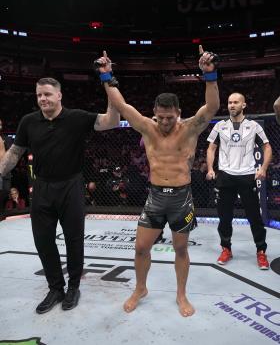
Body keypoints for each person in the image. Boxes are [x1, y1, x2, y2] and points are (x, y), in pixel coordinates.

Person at [95, 46, 220, 317]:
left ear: (178, 112)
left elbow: (211, 107)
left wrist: (210, 75)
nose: (164, 122)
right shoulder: (147, 126)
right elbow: (121, 105)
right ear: (154, 111)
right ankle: (140, 288)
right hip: (155, 197)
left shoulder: (189, 128)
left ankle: (181, 295)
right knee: (141, 248)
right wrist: (107, 77)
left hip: (181, 198)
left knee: (180, 248)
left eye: (170, 117)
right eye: (161, 117)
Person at [0, 77, 120, 313]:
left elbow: (112, 121)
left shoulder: (76, 117)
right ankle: (56, 287)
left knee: (74, 239)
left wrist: (110, 87)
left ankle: (74, 287)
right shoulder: (29, 121)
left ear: (59, 95)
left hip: (71, 186)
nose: (42, 99)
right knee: (43, 240)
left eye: (47, 94)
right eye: (39, 95)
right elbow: (15, 153)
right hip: (42, 187)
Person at [206, 92, 272, 269]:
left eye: (236, 102)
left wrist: (263, 168)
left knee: (254, 217)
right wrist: (211, 168)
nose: (232, 105)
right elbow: (211, 148)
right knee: (224, 217)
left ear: (243, 105)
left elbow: (267, 147)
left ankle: (261, 251)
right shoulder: (220, 126)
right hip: (226, 176)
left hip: (246, 176)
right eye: (229, 102)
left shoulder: (253, 126)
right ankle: (226, 248)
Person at [0, 119, 13, 220]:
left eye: (0, 124)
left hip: (5, 170)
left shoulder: (6, 139)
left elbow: (10, 154)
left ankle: (2, 211)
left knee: (6, 190)